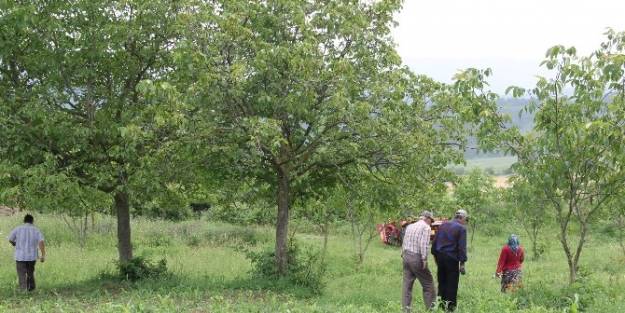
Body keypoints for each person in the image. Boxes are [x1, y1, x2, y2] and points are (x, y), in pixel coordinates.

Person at [431, 209, 468, 312]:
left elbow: (435, 241)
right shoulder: (461, 229)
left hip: (440, 257)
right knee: (452, 283)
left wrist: (435, 254)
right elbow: (462, 247)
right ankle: (450, 308)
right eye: (466, 219)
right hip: (451, 259)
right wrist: (462, 263)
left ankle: (440, 305)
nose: (466, 221)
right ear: (462, 218)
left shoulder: (443, 225)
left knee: (441, 281)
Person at [401, 211, 436, 312]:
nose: (431, 223)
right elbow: (423, 244)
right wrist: (424, 259)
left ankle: (406, 310)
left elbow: (404, 241)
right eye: (431, 221)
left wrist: (403, 254)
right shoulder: (426, 227)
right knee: (428, 284)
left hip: (406, 256)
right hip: (416, 258)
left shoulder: (410, 226)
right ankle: (431, 310)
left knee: (407, 285)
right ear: (427, 218)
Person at [8, 214, 46, 291]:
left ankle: (23, 289)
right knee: (30, 272)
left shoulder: (18, 228)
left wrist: (14, 244)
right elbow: (41, 242)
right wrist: (43, 255)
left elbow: (10, 239)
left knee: (21, 273)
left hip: (20, 256)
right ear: (32, 221)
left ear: (24, 220)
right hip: (31, 256)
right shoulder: (36, 230)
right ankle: (31, 288)